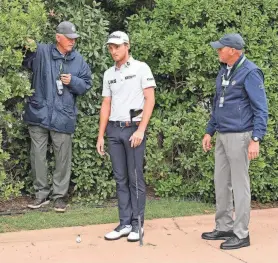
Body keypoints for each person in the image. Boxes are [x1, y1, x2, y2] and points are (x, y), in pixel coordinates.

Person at [201, 33, 268, 249]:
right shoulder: (224, 70)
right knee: (221, 183)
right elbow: (217, 104)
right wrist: (209, 131)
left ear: (234, 51)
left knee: (240, 186)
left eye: (221, 48)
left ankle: (241, 234)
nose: (218, 51)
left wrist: (256, 139)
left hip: (241, 136)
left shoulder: (250, 72)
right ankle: (224, 227)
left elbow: (261, 109)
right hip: (222, 134)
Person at [23, 21, 92, 212]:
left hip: (63, 116)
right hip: (38, 114)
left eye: (74, 39)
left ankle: (59, 197)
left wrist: (73, 81)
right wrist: (25, 41)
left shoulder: (78, 60)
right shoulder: (41, 51)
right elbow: (24, 57)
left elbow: (87, 84)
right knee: (37, 156)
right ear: (58, 37)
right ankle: (41, 195)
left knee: (63, 158)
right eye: (69, 38)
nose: (72, 42)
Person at [96, 31, 156, 242]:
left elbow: (150, 100)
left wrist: (141, 130)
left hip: (133, 129)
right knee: (120, 179)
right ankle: (124, 223)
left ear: (127, 46)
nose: (113, 51)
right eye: (111, 47)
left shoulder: (142, 68)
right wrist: (101, 135)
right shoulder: (108, 74)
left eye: (117, 46)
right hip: (113, 130)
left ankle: (137, 224)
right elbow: (106, 104)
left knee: (135, 178)